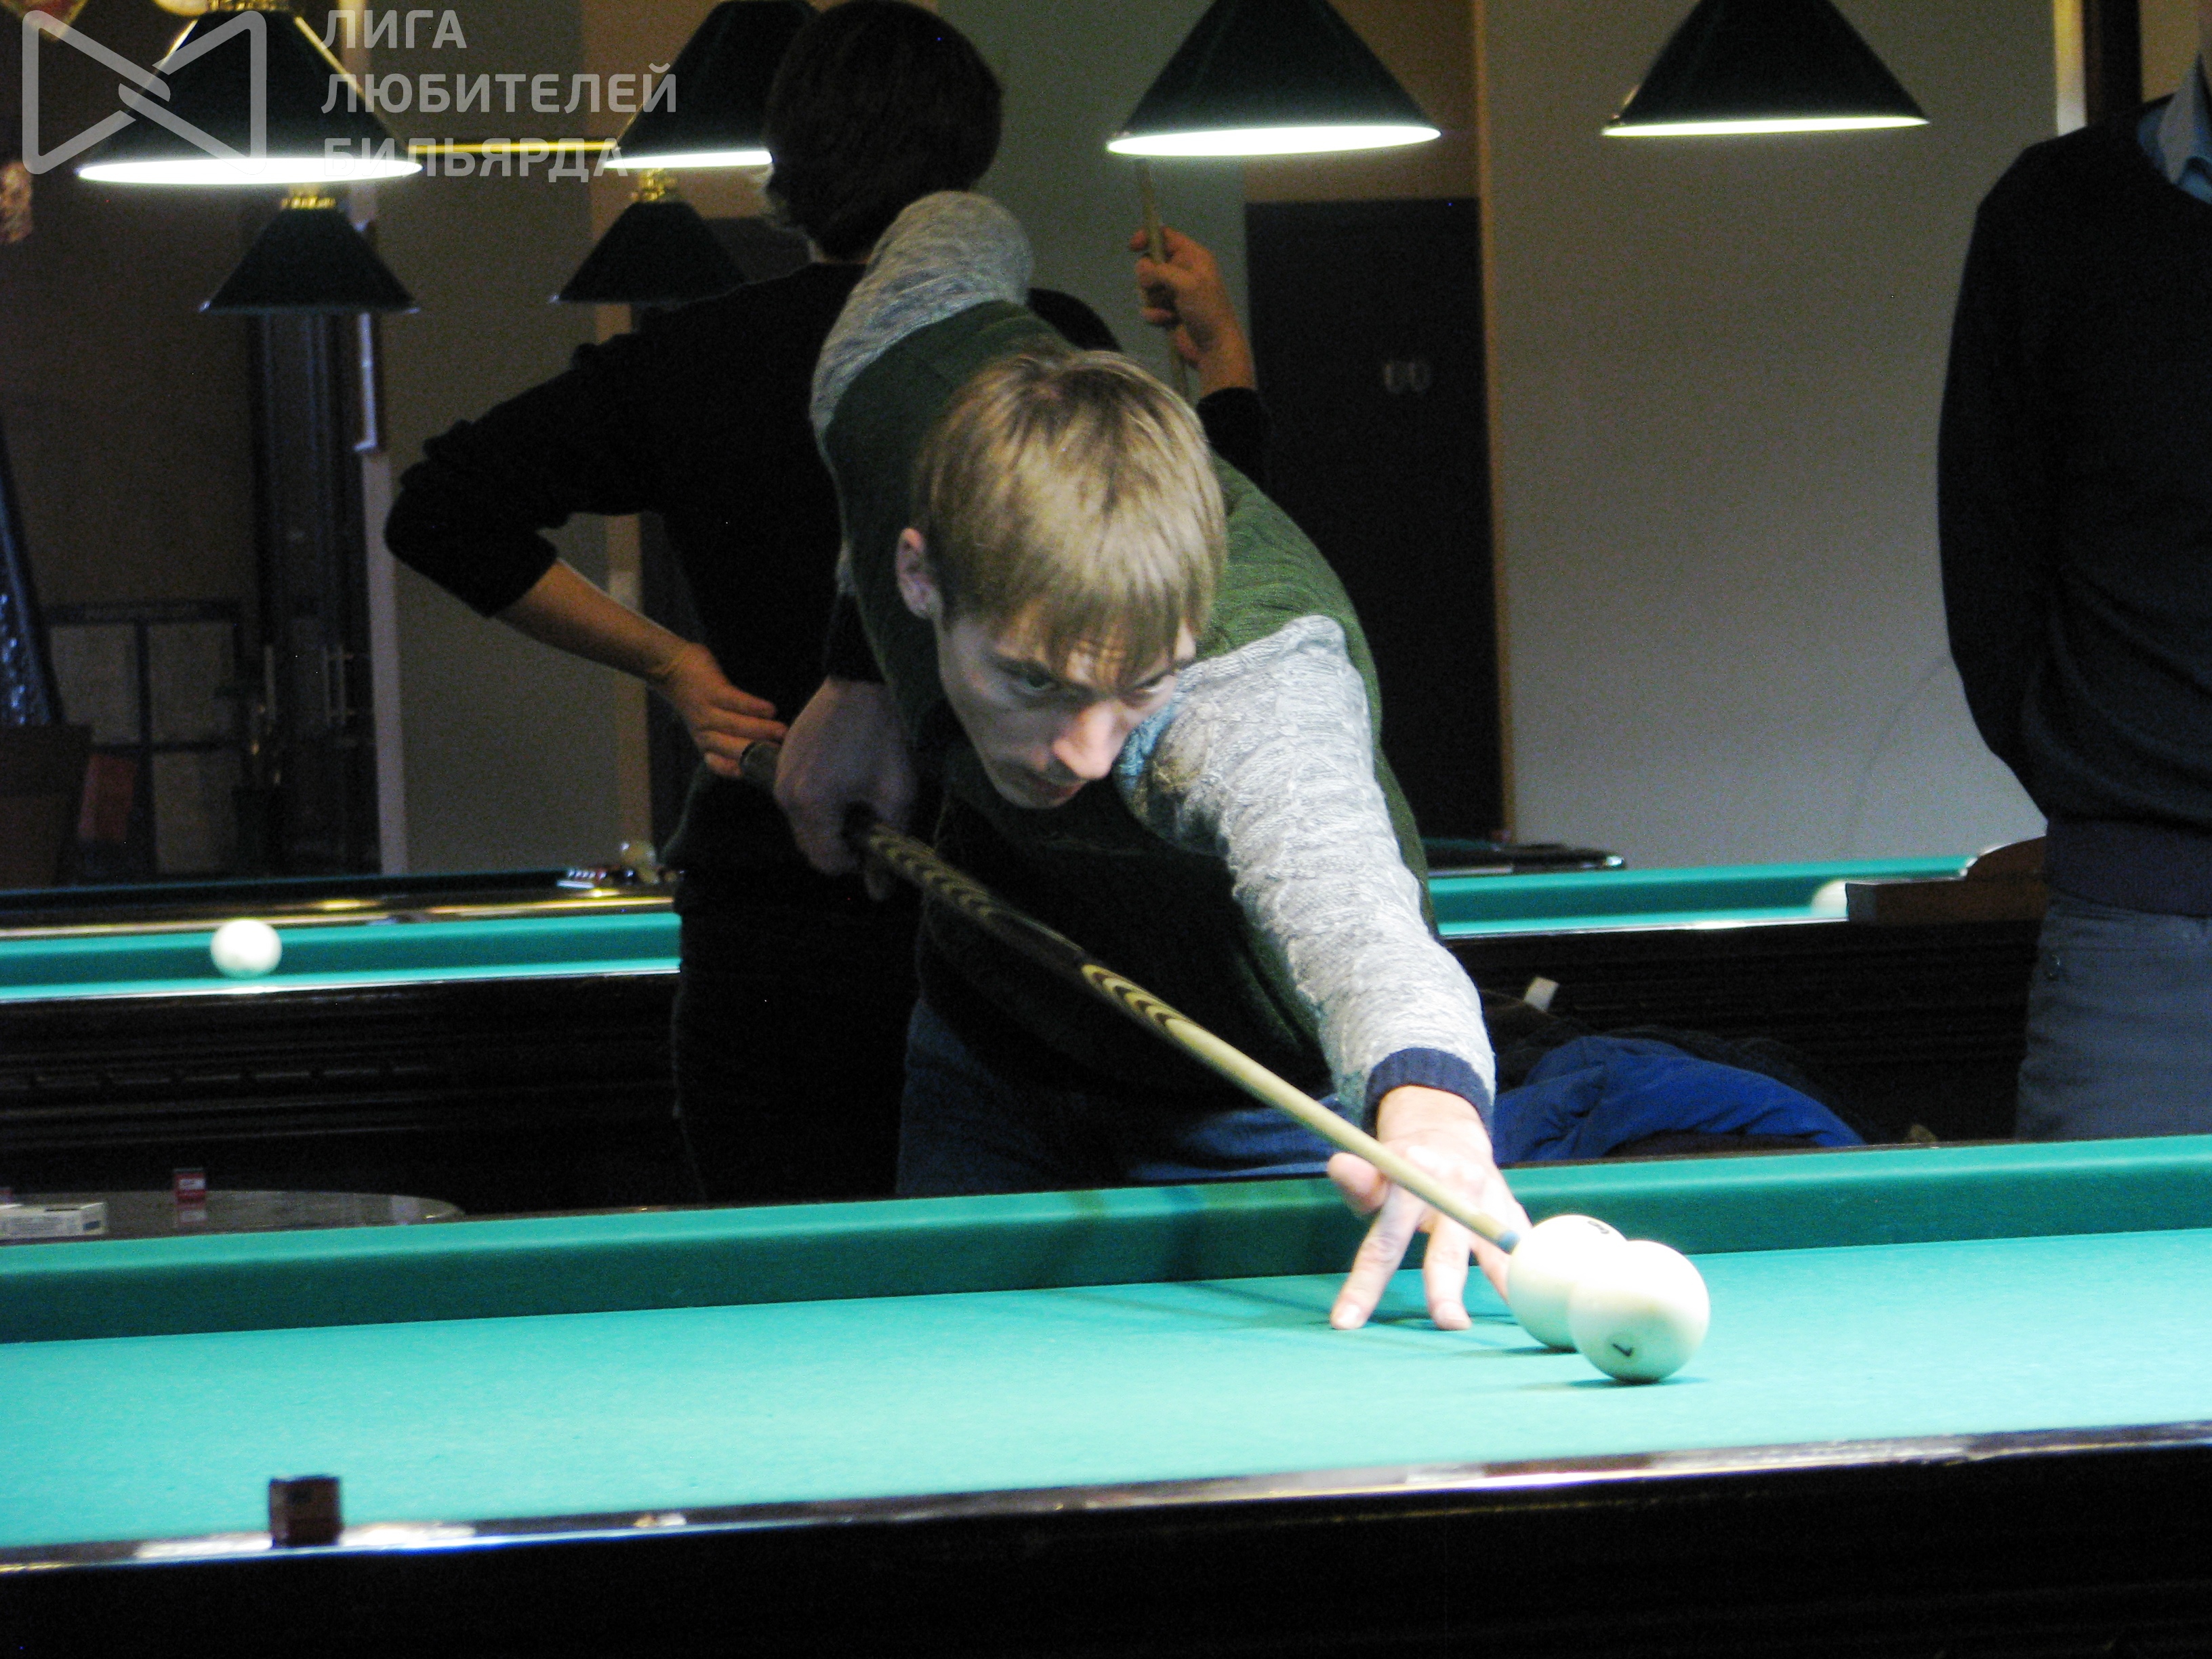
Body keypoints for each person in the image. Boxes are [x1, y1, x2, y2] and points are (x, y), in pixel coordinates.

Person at [383, 1, 1268, 1202]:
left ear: (788, 168)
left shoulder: (695, 354)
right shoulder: (1042, 341)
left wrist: (672, 665)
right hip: (1008, 912)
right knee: (996, 1284)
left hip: (773, 931)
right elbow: (1209, 568)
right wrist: (1223, 360)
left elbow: (440, 510)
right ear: (968, 163)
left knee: (788, 1281)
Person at [775, 191, 1524, 1330]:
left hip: (1256, 1095)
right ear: (920, 577)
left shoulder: (1252, 694)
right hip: (995, 1041)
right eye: (1035, 682)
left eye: (1140, 684)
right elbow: (964, 220)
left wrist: (1430, 1107)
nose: (1084, 753)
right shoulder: (882, 373)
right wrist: (856, 676)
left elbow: (1356, 920)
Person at [1938, 3, 2212, 1140]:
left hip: (2141, 910)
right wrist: (2114, 798)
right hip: (2146, 935)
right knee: (2112, 1250)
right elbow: (1990, 566)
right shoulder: (2055, 215)